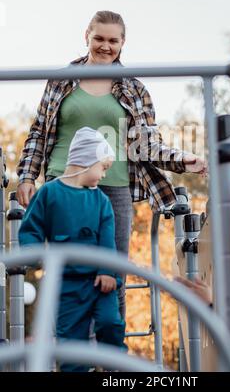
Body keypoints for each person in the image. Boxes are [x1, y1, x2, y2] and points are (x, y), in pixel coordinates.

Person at [16, 10, 207, 318]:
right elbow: (39, 131)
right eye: (99, 38)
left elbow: (147, 144)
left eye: (113, 41)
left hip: (115, 186)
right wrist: (27, 176)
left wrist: (182, 160)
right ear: (86, 37)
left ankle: (110, 353)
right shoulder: (62, 80)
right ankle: (69, 357)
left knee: (112, 274)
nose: (105, 46)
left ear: (123, 43)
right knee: (67, 274)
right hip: (64, 183)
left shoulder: (133, 88)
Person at [18, 127, 127, 372]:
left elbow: (108, 240)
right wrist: (37, 255)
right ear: (87, 161)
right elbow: (31, 227)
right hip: (65, 283)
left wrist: (108, 271)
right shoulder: (50, 193)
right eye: (103, 167)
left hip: (101, 281)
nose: (104, 174)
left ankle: (117, 370)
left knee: (111, 322)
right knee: (71, 343)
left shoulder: (101, 201)